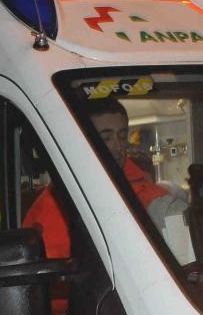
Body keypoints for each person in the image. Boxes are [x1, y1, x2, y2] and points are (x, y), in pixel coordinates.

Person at [23, 100, 187, 259]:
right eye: (106, 138)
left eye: (122, 136)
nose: (117, 146)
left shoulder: (157, 200)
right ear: (81, 140)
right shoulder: (56, 205)